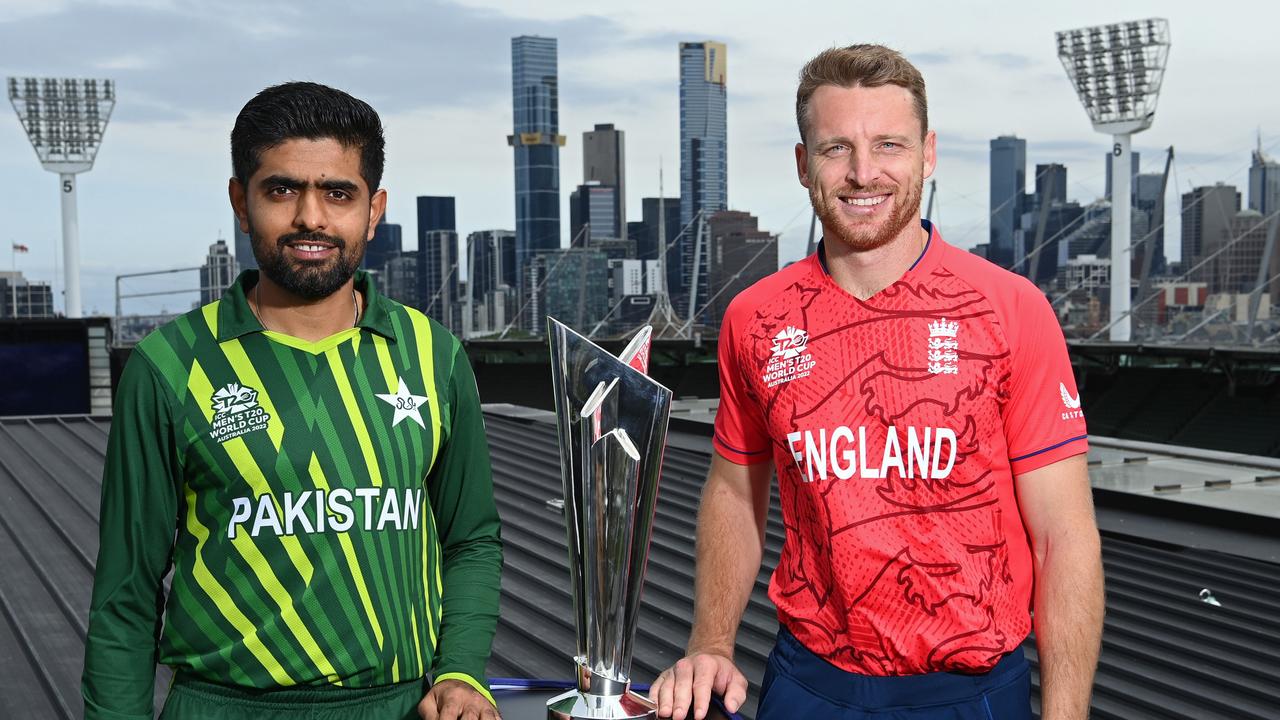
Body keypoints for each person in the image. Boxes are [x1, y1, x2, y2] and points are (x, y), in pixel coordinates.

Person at [651, 45, 1103, 720]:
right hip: (808, 684)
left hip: (968, 693)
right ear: (805, 165)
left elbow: (1063, 536)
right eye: (836, 148)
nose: (863, 173)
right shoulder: (757, 318)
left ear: (927, 153)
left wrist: (1065, 715)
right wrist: (711, 641)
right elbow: (734, 490)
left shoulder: (1009, 309)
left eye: (888, 144)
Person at [82, 82, 503, 720]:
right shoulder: (169, 366)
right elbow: (126, 595)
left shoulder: (433, 354)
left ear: (374, 208)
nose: (311, 217)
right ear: (240, 202)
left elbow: (470, 538)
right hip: (224, 707)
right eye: (282, 189)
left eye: (338, 193)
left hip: (399, 707)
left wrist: (463, 671)